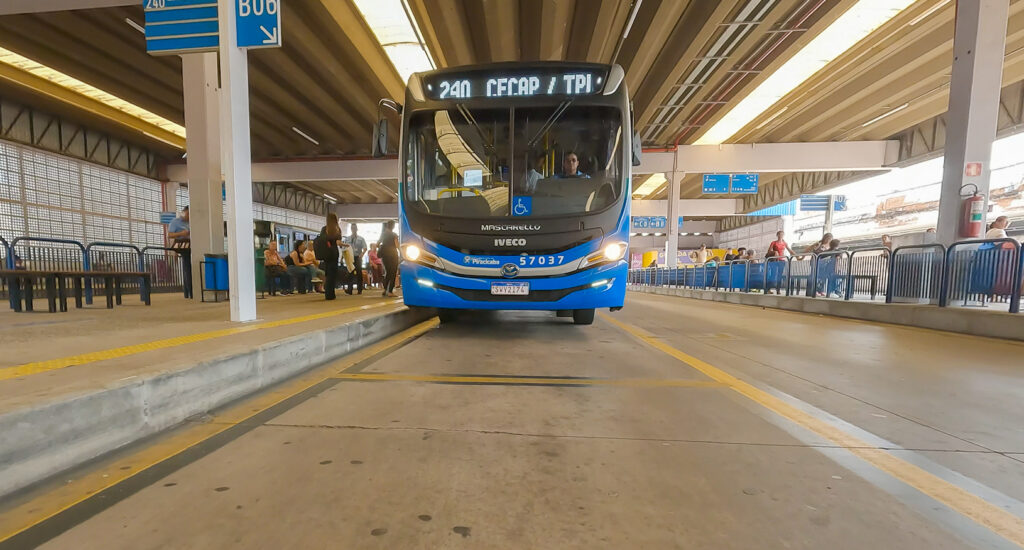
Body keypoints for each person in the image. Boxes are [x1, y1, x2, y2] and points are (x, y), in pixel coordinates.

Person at [167, 205, 192, 299]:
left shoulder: (192, 222)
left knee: (189, 268)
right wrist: (181, 233)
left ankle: (188, 291)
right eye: (188, 213)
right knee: (187, 268)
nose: (189, 216)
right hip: (183, 247)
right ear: (184, 212)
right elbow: (169, 235)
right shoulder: (175, 222)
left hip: (193, 245)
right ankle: (190, 291)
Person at [317, 213, 344, 300]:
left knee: (328, 273)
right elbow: (339, 242)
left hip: (326, 253)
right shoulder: (337, 229)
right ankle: (331, 293)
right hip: (334, 253)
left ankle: (328, 293)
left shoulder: (324, 229)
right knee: (333, 273)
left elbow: (322, 239)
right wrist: (344, 245)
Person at [378, 220, 400, 297]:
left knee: (388, 272)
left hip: (385, 256)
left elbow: (377, 244)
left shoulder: (383, 234)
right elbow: (397, 245)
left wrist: (384, 247)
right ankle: (390, 291)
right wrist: (402, 252)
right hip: (393, 255)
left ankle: (385, 290)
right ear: (393, 226)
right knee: (393, 273)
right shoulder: (394, 234)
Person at [345, 223, 368, 295]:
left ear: (357, 229)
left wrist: (362, 254)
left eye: (355, 228)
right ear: (351, 229)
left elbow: (365, 248)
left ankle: (359, 289)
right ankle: (350, 289)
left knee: (359, 273)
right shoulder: (347, 239)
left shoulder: (361, 239)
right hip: (350, 257)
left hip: (358, 257)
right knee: (350, 273)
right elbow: (344, 248)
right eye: (352, 228)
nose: (353, 229)